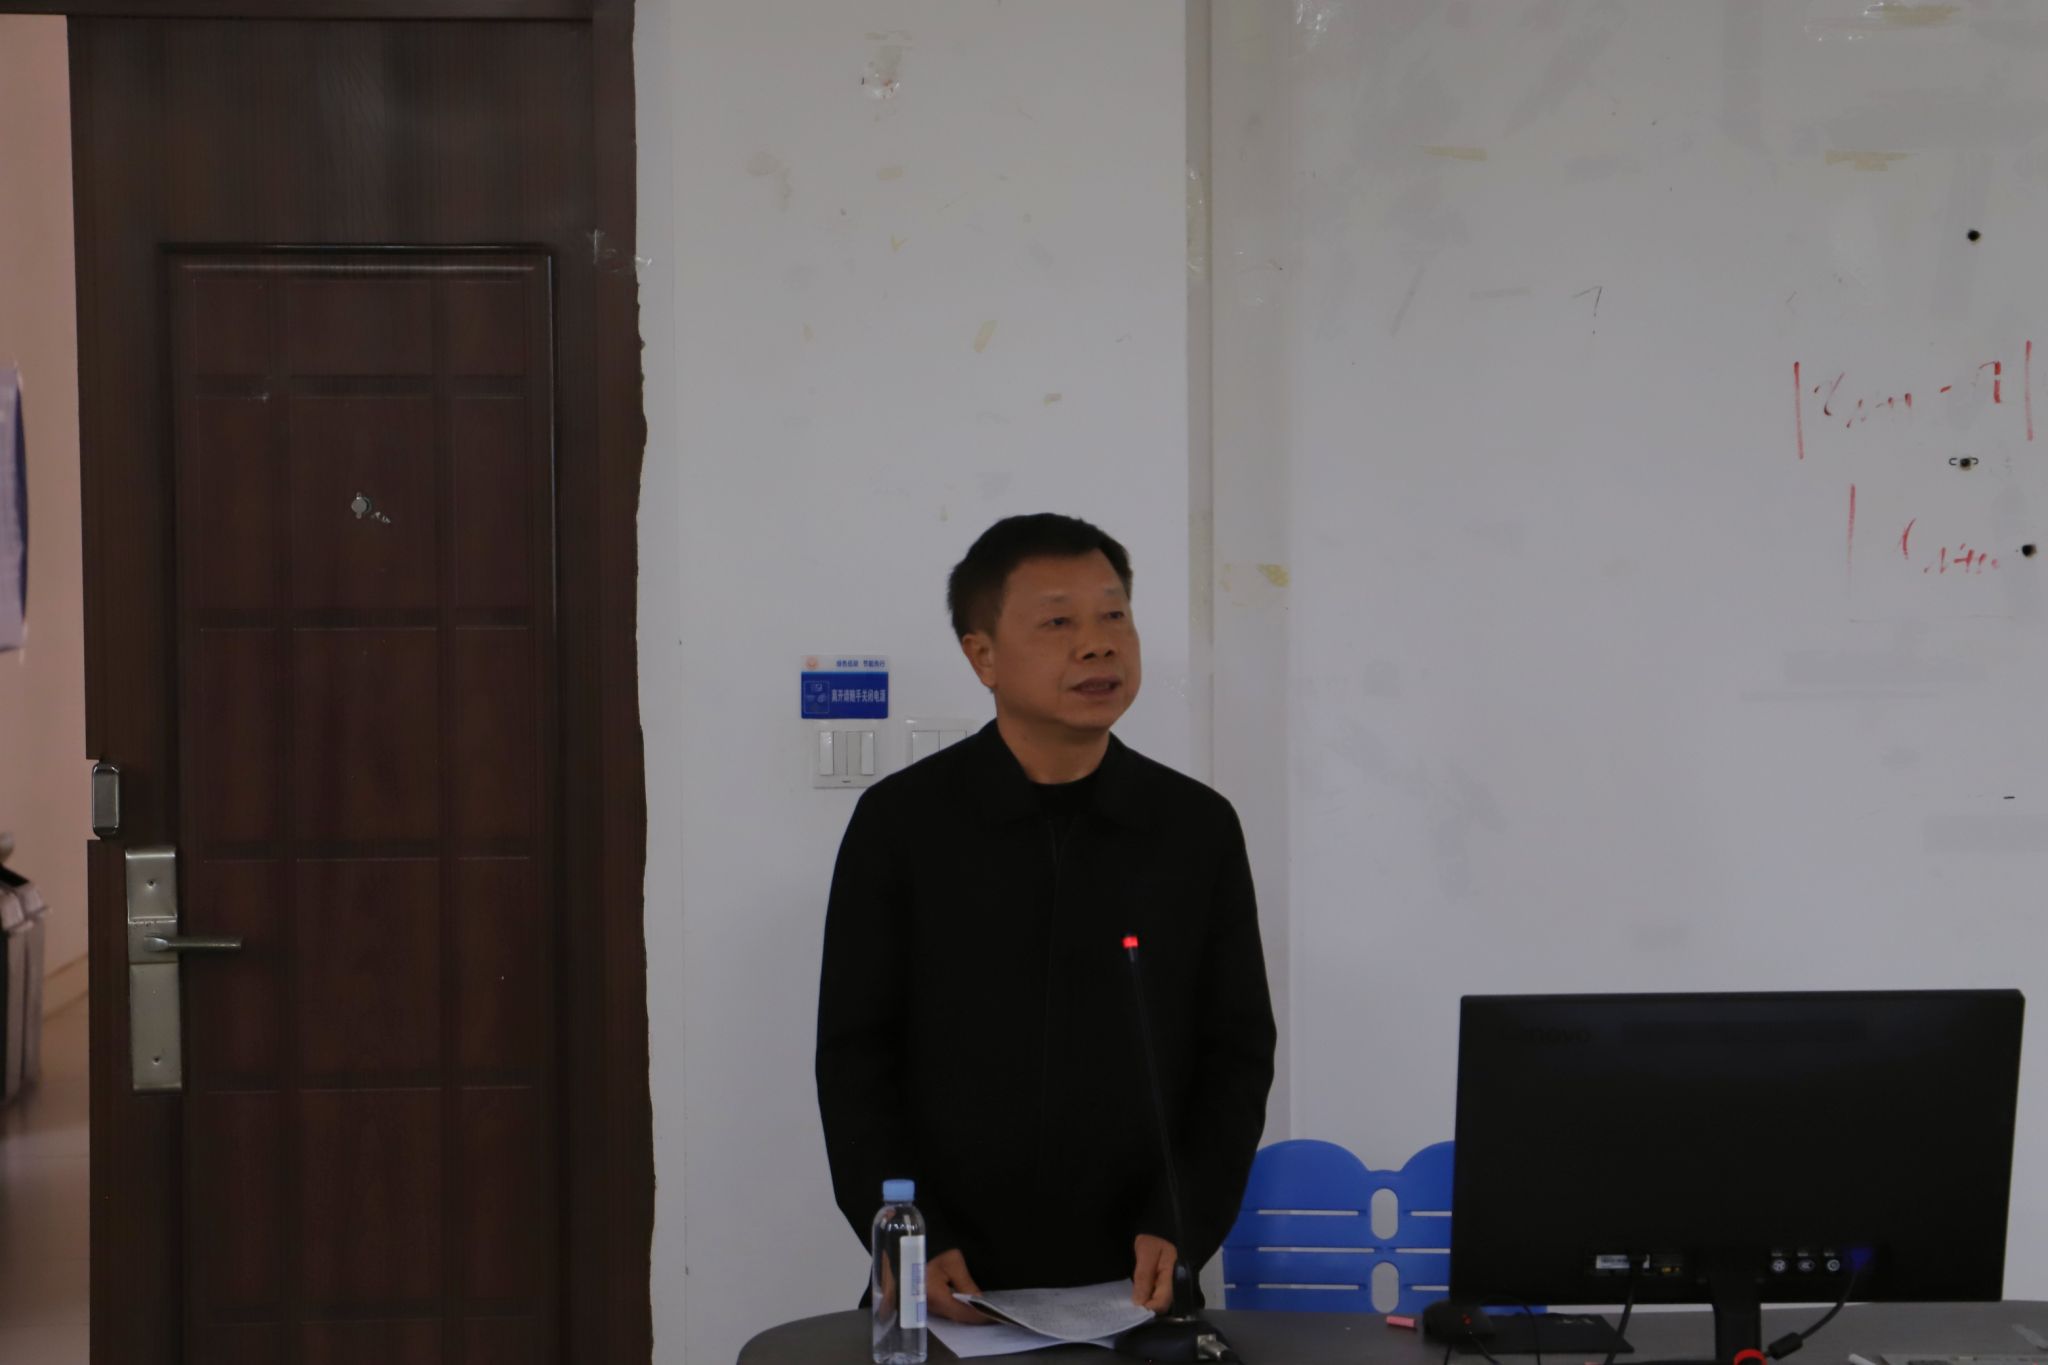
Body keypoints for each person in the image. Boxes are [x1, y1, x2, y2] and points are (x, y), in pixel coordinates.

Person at [815, 512, 1277, 1324]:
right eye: (1059, 622)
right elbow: (856, 1057)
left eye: (1114, 615)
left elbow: (1235, 1052)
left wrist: (1185, 1219)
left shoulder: (1194, 827)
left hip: (1137, 1278)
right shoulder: (903, 824)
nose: (1098, 644)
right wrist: (907, 1235)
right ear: (982, 655)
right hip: (947, 1275)